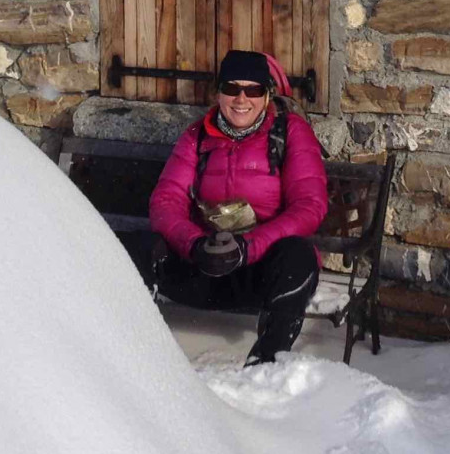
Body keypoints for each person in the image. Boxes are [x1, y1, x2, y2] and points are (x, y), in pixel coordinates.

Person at [118, 50, 328, 366]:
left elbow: (310, 206)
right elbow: (166, 201)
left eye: (253, 90)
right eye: (231, 88)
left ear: (267, 94)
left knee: (298, 257)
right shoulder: (197, 136)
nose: (241, 99)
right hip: (204, 264)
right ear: (219, 93)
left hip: (258, 272)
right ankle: (128, 353)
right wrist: (195, 244)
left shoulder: (289, 132)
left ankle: (266, 364)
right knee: (133, 246)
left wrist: (248, 247)